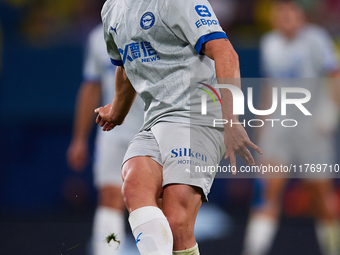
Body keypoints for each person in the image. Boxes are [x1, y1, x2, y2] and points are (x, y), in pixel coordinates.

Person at [95, 0, 262, 254]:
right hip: (155, 119)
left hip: (197, 115)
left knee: (176, 225)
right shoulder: (111, 9)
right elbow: (126, 63)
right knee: (134, 185)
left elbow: (225, 52)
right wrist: (117, 111)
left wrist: (232, 119)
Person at [242, 1, 340, 255]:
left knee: (321, 198)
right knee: (268, 194)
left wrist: (330, 111)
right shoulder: (269, 43)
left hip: (312, 131)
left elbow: (335, 76)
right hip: (279, 130)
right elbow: (269, 87)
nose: (286, 17)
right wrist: (261, 127)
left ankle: (333, 249)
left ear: (301, 15)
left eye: (291, 11)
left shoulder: (317, 40)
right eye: (281, 12)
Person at [66, 24, 144, 255]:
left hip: (154, 131)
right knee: (110, 197)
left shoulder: (161, 24)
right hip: (114, 132)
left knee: (154, 201)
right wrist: (79, 139)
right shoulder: (98, 37)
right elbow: (91, 87)